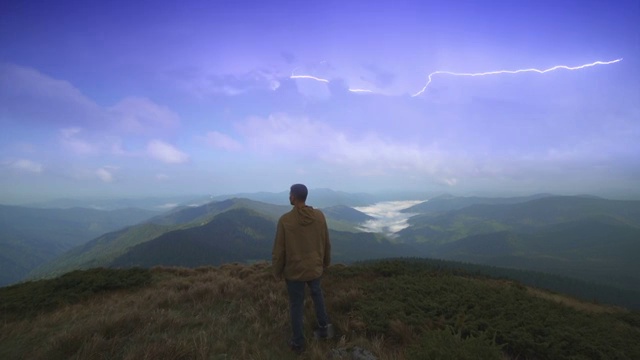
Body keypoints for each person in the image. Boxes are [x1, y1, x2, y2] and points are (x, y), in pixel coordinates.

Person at [272, 184, 333, 353]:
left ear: (294, 197)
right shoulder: (319, 216)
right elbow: (326, 241)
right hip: (315, 268)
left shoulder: (285, 220)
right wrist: (326, 262)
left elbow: (280, 250)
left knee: (296, 305)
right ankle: (324, 330)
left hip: (294, 271)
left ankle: (298, 343)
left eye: (290, 194)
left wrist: (276, 271)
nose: (289, 197)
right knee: (317, 295)